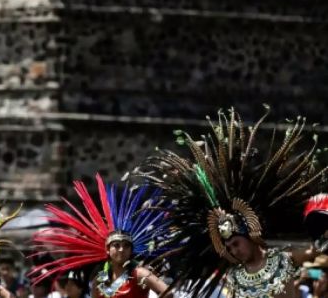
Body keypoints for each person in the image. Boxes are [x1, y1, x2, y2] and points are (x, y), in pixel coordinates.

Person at [137, 108, 327, 298]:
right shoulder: (234, 279)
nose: (234, 250)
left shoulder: (284, 259)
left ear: (250, 234)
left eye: (236, 243)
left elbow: (315, 250)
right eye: (229, 248)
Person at [29, 174, 173, 298]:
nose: (121, 249)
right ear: (108, 250)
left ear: (131, 250)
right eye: (116, 245)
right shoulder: (100, 280)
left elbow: (169, 294)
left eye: (126, 246)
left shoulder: (140, 274)